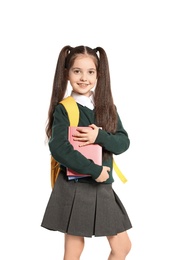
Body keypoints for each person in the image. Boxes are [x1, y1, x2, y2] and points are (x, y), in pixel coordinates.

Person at [41, 45, 132, 260]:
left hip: (102, 186)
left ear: (98, 75)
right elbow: (59, 148)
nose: (84, 78)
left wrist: (98, 136)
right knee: (74, 251)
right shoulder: (65, 108)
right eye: (77, 71)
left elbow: (123, 142)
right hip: (74, 186)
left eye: (90, 72)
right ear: (67, 74)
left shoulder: (107, 107)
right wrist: (93, 170)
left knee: (122, 247)